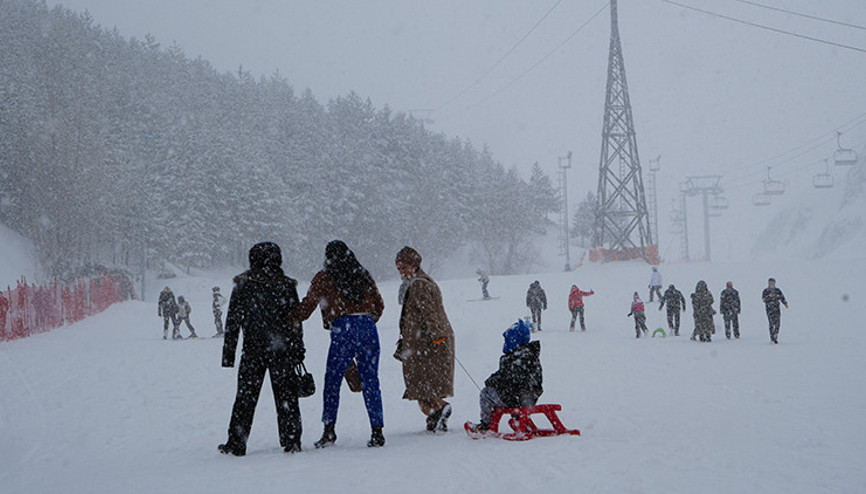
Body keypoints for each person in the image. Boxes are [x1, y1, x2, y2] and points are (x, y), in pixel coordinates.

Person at [292, 240, 386, 448]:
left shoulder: (324, 277)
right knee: (371, 381)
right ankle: (377, 431)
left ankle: (329, 430)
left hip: (342, 329)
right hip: (368, 327)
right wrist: (366, 321)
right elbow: (380, 305)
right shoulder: (363, 274)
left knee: (333, 381)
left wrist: (289, 316)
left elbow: (307, 307)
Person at [219, 242, 305, 456]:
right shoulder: (286, 285)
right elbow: (295, 321)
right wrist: (297, 349)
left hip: (253, 349)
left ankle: (237, 442)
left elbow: (232, 322)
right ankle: (292, 440)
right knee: (286, 397)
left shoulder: (243, 284)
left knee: (245, 397)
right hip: (282, 349)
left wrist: (229, 354)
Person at [393, 246, 455, 434]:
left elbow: (429, 313)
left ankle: (439, 408)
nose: (401, 272)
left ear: (414, 265)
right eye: (399, 268)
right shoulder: (421, 281)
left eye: (404, 267)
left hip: (427, 344)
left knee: (422, 386)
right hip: (423, 342)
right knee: (423, 385)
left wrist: (437, 337)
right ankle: (435, 418)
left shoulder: (419, 284)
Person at [466, 320, 542, 433]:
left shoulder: (515, 359)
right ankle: (520, 419)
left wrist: (492, 382)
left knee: (486, 393)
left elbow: (508, 378)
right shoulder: (530, 355)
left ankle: (486, 425)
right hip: (530, 397)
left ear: (514, 341)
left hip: (516, 398)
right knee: (511, 391)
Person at [762, 277, 788, 344]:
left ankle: (776, 336)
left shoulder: (777, 290)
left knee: (777, 323)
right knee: (771, 323)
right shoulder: (765, 291)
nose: (771, 284)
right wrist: (769, 296)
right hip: (769, 309)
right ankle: (772, 337)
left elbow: (782, 297)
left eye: (773, 282)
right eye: (770, 283)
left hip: (776, 308)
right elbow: (764, 300)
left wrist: (785, 303)